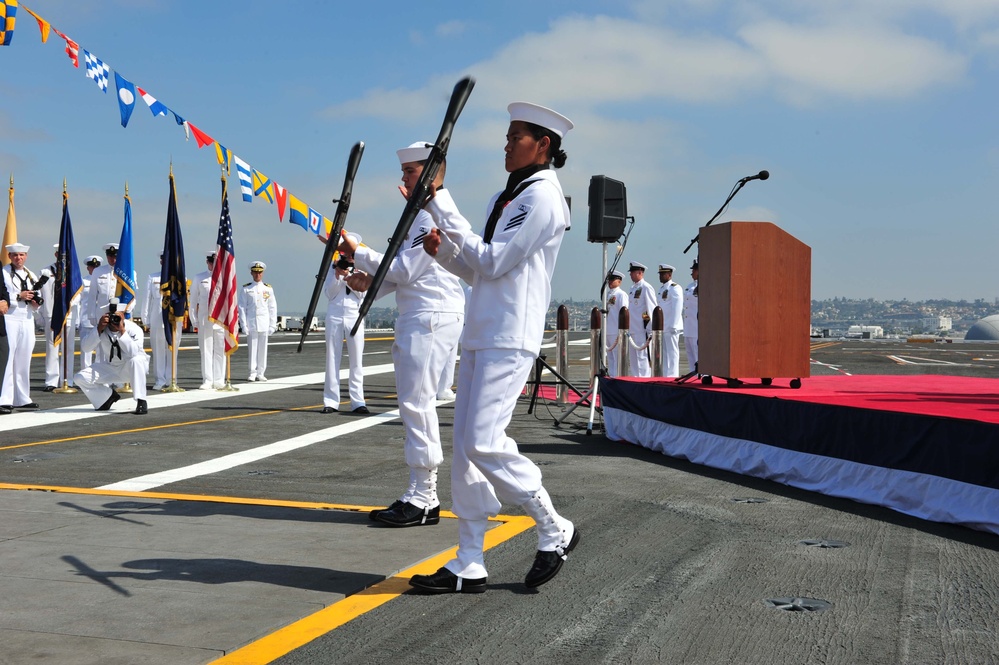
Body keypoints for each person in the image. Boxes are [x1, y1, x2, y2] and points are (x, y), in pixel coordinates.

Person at [410, 101, 579, 593]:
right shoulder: (505, 197)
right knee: (465, 451)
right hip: (484, 331)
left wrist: (440, 201)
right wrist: (442, 252)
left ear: (542, 144)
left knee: (484, 441)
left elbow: (495, 260)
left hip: (510, 335)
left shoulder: (542, 198)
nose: (505, 145)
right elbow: (477, 271)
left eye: (515, 137)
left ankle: (552, 526)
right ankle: (469, 560)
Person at [344, 141, 466, 528]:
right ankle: (421, 494)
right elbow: (404, 272)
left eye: (410, 171)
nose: (403, 178)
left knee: (416, 404)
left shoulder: (429, 217)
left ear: (430, 174)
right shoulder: (420, 215)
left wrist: (358, 250)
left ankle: (424, 496)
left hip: (430, 316)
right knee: (414, 402)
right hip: (421, 312)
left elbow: (408, 270)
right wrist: (370, 281)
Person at [75, 298, 149, 415]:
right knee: (80, 378)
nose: (115, 321)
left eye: (118, 317)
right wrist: (98, 329)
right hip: (112, 367)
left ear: (123, 316)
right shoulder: (102, 328)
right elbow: (86, 348)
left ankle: (141, 400)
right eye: (112, 317)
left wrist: (122, 331)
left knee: (137, 359)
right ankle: (107, 397)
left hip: (130, 368)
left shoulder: (134, 329)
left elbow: (133, 352)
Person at [321, 238, 367, 413]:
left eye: (350, 252)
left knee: (356, 360)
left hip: (354, 315)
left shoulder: (362, 269)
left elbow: (362, 294)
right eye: (344, 252)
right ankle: (331, 401)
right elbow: (329, 294)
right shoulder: (333, 267)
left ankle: (358, 401)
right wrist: (337, 276)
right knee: (332, 358)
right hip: (335, 314)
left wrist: (348, 277)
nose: (346, 255)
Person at [1, 243, 41, 413]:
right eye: (15, 255)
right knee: (8, 359)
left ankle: (23, 398)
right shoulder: (3, 272)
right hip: (10, 317)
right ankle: (5, 398)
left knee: (24, 359)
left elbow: (37, 297)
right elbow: (2, 294)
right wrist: (18, 296)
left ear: (26, 256)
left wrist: (35, 301)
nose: (19, 258)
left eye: (22, 255)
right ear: (10, 256)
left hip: (27, 318)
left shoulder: (30, 274)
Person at [40, 244, 76, 391]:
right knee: (52, 347)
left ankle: (68, 379)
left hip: (69, 313)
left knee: (69, 348)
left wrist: (67, 305)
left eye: (65, 256)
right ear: (56, 255)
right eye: (60, 255)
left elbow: (77, 294)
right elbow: (41, 294)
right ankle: (51, 381)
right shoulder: (46, 272)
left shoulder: (74, 272)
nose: (62, 258)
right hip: (52, 314)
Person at [238, 261, 276, 382]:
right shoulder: (246, 289)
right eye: (255, 272)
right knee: (253, 348)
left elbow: (272, 307)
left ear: (262, 273)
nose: (257, 275)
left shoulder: (268, 289)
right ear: (251, 273)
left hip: (264, 323)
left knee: (263, 349)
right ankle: (252, 372)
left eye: (259, 272)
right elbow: (241, 308)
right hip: (252, 323)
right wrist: (243, 324)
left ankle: (261, 372)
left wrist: (272, 324)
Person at [192, 251, 225, 389]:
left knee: (220, 350)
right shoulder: (199, 278)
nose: (213, 264)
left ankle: (219, 379)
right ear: (207, 262)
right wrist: (194, 320)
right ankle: (207, 379)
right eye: (211, 262)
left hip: (220, 321)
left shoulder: (224, 278)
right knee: (205, 350)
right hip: (205, 320)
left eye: (215, 262)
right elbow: (193, 301)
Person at [142, 253, 170, 390]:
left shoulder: (179, 277)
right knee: (158, 351)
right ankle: (160, 379)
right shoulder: (153, 278)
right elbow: (147, 299)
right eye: (163, 259)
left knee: (171, 351)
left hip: (172, 321)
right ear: (160, 261)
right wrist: (145, 319)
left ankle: (171, 379)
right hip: (157, 319)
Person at [627, 261, 656, 377]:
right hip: (632, 329)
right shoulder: (632, 288)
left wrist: (650, 329)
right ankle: (635, 382)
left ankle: (644, 382)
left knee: (643, 360)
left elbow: (651, 309)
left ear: (640, 272)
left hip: (642, 330)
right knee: (634, 361)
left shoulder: (646, 288)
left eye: (633, 272)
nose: (630, 274)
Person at [657, 263, 684, 377]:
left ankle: (673, 375)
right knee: (665, 353)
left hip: (672, 326)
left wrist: (673, 325)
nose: (660, 276)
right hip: (663, 326)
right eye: (660, 274)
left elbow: (677, 307)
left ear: (669, 275)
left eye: (663, 274)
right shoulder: (661, 289)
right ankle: (666, 374)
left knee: (672, 352)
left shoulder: (675, 288)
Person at [79, 255, 102, 373]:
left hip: (101, 320)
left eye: (96, 266)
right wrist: (78, 321)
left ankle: (99, 375)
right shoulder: (82, 281)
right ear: (88, 268)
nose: (94, 269)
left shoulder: (104, 280)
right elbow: (78, 301)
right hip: (86, 319)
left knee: (101, 351)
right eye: (91, 266)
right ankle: (85, 374)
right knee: (86, 351)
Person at [604, 270, 629, 377]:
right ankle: (611, 376)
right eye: (609, 279)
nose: (610, 282)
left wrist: (621, 330)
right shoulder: (608, 294)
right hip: (608, 330)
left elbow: (624, 313)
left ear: (619, 281)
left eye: (612, 279)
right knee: (610, 358)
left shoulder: (621, 294)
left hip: (616, 330)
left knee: (617, 357)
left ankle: (617, 377)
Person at [683, 259, 699, 374]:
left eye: (693, 270)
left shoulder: (704, 285)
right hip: (688, 327)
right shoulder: (689, 286)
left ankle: (702, 375)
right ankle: (693, 373)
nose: (691, 273)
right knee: (690, 353)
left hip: (697, 326)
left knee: (697, 352)